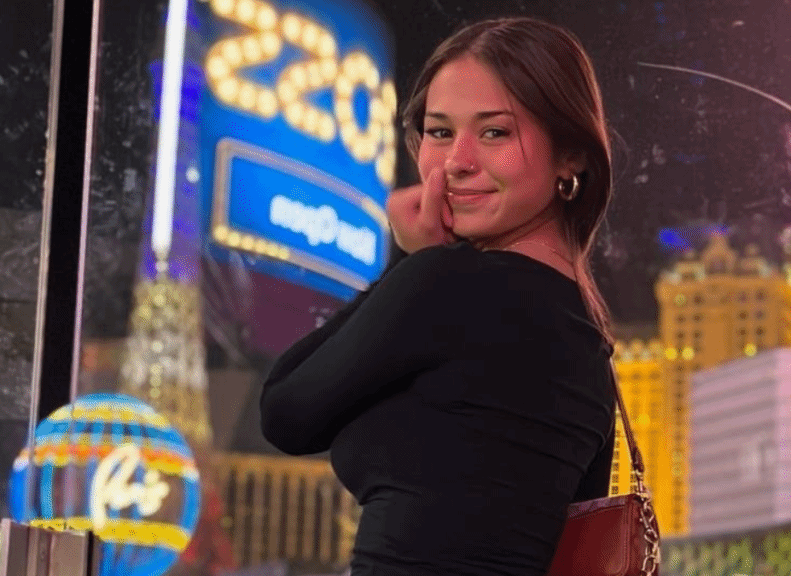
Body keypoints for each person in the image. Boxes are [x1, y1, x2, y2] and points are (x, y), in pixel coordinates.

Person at [260, 17, 619, 576]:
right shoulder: (590, 342)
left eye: (495, 133)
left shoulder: (446, 285)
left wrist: (412, 260)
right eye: (440, 132)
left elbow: (285, 412)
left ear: (570, 154)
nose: (457, 161)